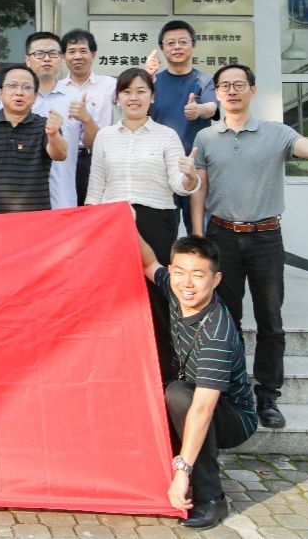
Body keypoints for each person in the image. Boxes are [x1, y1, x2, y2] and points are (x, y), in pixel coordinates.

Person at [190, 63, 308, 430]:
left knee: (270, 319)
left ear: (252, 90)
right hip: (221, 236)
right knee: (226, 320)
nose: (232, 90)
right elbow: (199, 189)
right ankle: (233, 392)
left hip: (265, 238)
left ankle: (267, 396)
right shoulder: (206, 137)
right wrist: (198, 236)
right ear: (216, 93)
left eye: (239, 84)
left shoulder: (277, 133)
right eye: (225, 85)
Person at [86, 67, 201, 383]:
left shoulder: (167, 136)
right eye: (126, 92)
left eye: (140, 91)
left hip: (156, 221)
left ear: (152, 97)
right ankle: (118, 371)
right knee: (115, 300)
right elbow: (95, 188)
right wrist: (91, 229)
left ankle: (164, 374)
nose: (133, 98)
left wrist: (190, 176)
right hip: (113, 223)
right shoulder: (105, 137)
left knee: (157, 298)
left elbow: (180, 184)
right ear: (117, 98)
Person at [139, 235, 257, 531]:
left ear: (216, 279)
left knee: (180, 396)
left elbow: (203, 408)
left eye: (198, 275)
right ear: (172, 270)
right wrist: (126, 221)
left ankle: (212, 498)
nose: (187, 283)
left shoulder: (216, 334)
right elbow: (148, 262)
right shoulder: (176, 287)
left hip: (233, 415)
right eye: (180, 272)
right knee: (161, 390)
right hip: (194, 393)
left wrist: (182, 471)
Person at [145, 20, 218, 232]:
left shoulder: (204, 81)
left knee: (200, 232)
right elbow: (137, 111)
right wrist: (147, 77)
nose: (177, 47)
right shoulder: (152, 83)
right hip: (160, 168)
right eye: (170, 43)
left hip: (197, 167)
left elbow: (212, 107)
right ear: (162, 48)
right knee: (162, 232)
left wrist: (199, 109)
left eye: (183, 42)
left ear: (193, 45)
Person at [0, 65, 66, 215]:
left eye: (27, 87)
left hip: (35, 218)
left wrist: (53, 134)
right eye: (12, 86)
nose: (19, 92)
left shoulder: (45, 126)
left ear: (35, 96)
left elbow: (60, 155)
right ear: (0, 93)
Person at [56, 28, 117, 205]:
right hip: (65, 159)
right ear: (63, 57)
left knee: (97, 209)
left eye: (83, 51)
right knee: (66, 209)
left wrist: (149, 76)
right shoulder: (57, 89)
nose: (77, 56)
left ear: (93, 54)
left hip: (98, 158)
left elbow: (132, 102)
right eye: (71, 51)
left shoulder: (109, 85)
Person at [21, 31, 82, 209]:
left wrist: (87, 119)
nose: (46, 59)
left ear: (61, 58)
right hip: (22, 197)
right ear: (27, 60)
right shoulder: (14, 97)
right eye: (39, 54)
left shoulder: (76, 97)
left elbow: (91, 142)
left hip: (63, 195)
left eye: (53, 53)